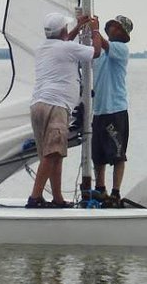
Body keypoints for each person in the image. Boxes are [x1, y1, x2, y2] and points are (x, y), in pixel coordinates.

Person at [26, 12, 102, 208]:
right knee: (52, 155)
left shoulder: (43, 47)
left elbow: (64, 41)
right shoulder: (67, 47)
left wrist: (78, 26)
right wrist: (95, 30)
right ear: (63, 30)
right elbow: (96, 52)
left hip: (38, 105)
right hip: (56, 106)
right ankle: (35, 198)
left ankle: (58, 198)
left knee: (54, 154)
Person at [91, 15, 133, 207]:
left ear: (123, 34)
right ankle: (100, 190)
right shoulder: (99, 51)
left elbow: (104, 44)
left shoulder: (121, 49)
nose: (113, 29)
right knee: (98, 154)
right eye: (112, 26)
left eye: (117, 28)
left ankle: (116, 193)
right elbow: (95, 47)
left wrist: (94, 29)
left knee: (117, 153)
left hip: (115, 109)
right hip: (99, 110)